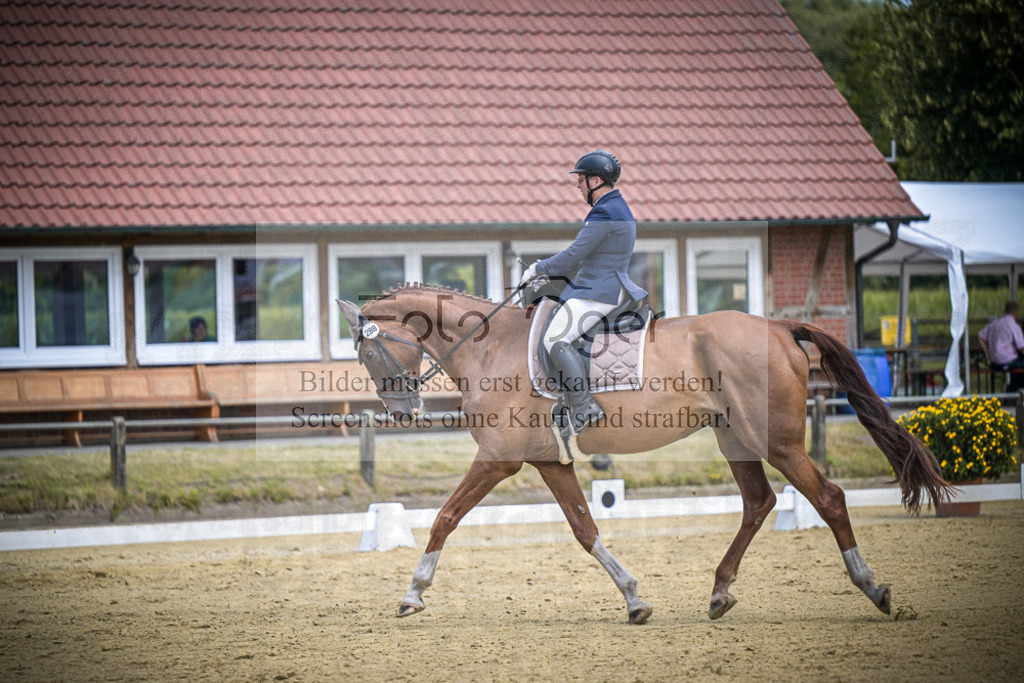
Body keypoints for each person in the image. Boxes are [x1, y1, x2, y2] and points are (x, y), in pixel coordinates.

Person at [520, 150, 648, 435]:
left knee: (555, 338)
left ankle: (583, 405)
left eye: (581, 180)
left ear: (596, 180)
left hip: (599, 290)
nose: (577, 186)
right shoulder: (617, 207)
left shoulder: (605, 211)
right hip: (598, 284)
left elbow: (574, 255)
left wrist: (537, 269)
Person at [978, 301, 1024, 391]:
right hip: (1007, 362)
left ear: (1005, 310)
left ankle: (1011, 390)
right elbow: (1021, 348)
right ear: (1016, 312)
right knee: (1020, 367)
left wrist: (987, 352)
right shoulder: (1014, 326)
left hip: (994, 363)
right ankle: (1016, 392)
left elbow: (980, 335)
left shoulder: (995, 323)